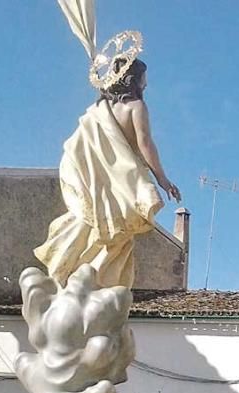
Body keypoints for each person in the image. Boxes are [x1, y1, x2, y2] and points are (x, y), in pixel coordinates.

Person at [34, 7, 181, 289]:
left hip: (99, 181)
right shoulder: (136, 107)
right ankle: (98, 281)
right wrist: (163, 179)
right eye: (143, 78)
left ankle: (73, 272)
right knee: (116, 234)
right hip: (120, 180)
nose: (146, 83)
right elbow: (144, 143)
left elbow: (82, 146)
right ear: (134, 79)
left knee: (95, 226)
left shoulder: (99, 109)